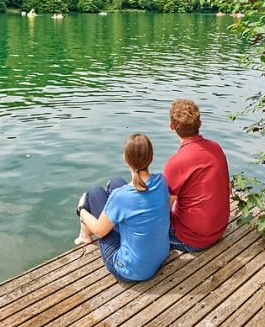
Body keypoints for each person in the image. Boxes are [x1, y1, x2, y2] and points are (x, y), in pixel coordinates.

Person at [75, 134, 170, 282]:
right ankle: (85, 234)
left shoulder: (121, 197)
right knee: (116, 181)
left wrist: (81, 209)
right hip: (159, 257)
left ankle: (84, 235)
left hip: (130, 270)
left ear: (126, 159)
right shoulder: (162, 181)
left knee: (93, 193)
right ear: (152, 157)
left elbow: (99, 231)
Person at [163, 99, 230, 252]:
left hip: (190, 240)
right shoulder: (216, 148)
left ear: (171, 126)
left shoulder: (176, 162)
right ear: (199, 124)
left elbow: (163, 208)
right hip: (218, 231)